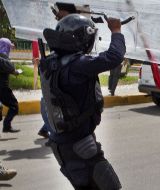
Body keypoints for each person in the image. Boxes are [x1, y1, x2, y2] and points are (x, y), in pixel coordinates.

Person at [40, 14, 125, 190]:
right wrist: (116, 30)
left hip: (62, 144)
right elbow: (115, 56)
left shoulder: (49, 62)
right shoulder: (78, 64)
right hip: (80, 145)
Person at [0, 38, 20, 133]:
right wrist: (14, 71)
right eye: (9, 47)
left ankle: (7, 126)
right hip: (2, 88)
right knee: (14, 106)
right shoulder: (2, 57)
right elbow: (10, 67)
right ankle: (6, 126)